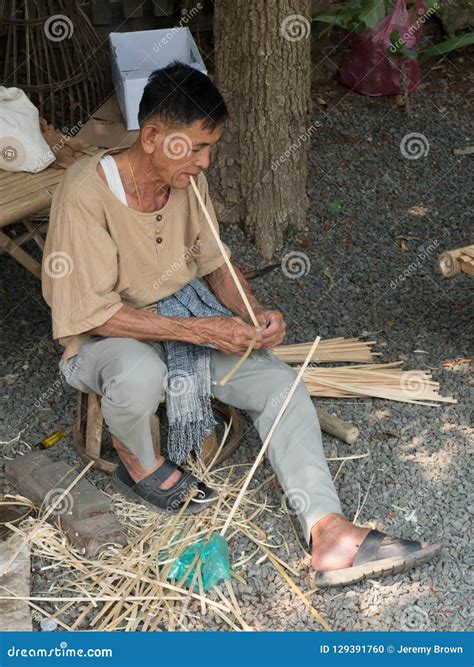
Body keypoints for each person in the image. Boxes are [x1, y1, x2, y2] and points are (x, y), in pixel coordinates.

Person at [41, 61, 440, 587]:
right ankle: (138, 464)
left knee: (280, 384)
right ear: (155, 136)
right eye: (198, 148)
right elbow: (91, 314)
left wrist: (251, 315)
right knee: (138, 375)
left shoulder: (181, 180)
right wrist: (207, 330)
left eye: (211, 148)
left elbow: (215, 262)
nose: (206, 162)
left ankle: (329, 531)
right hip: (103, 338)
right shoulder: (84, 192)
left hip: (179, 316)